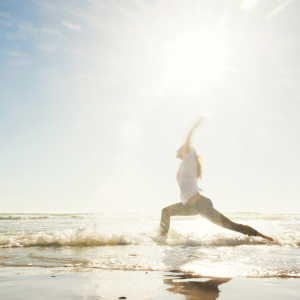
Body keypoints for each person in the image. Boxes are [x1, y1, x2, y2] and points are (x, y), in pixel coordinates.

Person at [160, 118, 273, 242]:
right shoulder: (184, 165)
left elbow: (187, 140)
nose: (177, 150)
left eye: (180, 149)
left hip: (201, 205)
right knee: (166, 211)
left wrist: (193, 126)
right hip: (190, 206)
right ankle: (161, 239)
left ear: (185, 151)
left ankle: (266, 239)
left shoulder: (188, 160)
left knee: (232, 226)